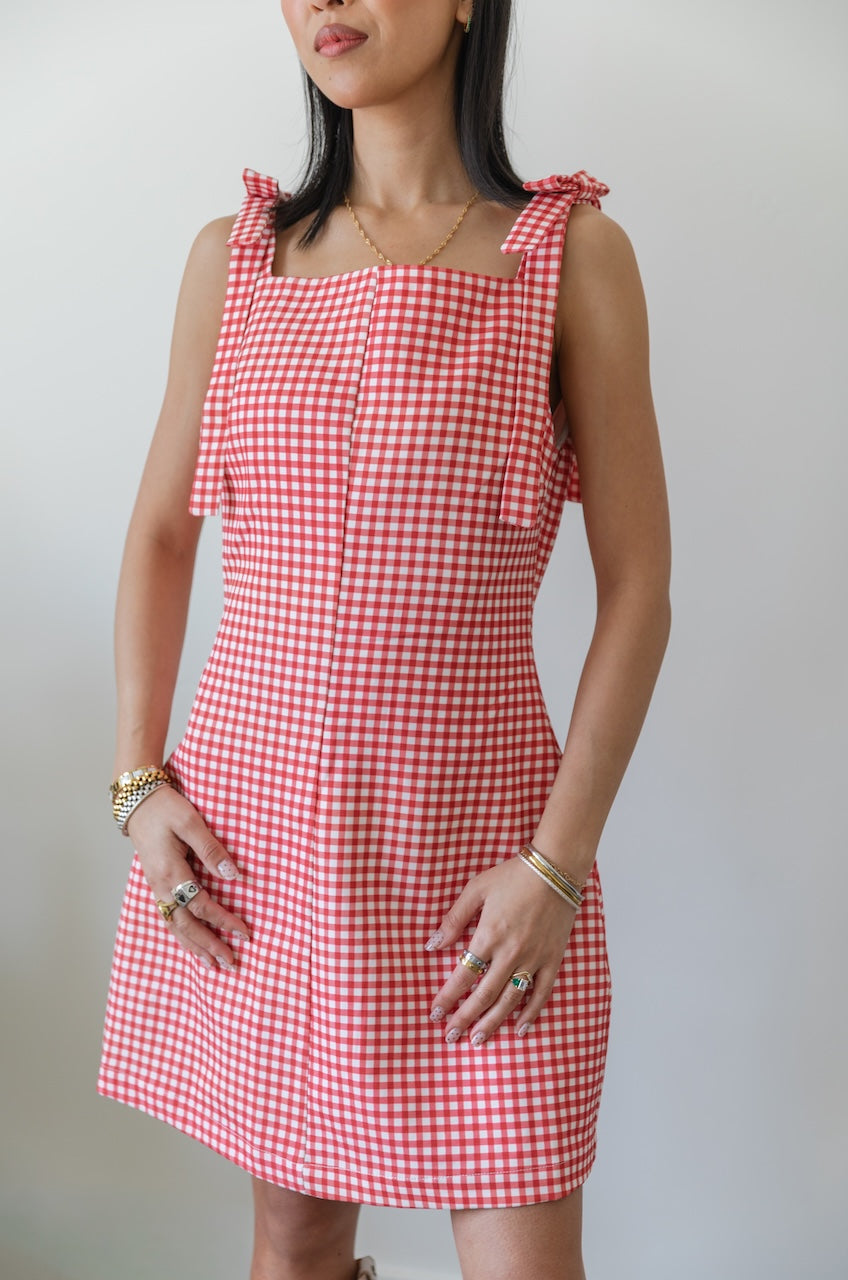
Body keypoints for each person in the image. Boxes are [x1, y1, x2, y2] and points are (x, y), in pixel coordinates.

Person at [99, 2, 671, 1277]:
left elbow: (636, 587)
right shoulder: (236, 255)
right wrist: (138, 783)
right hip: (265, 854)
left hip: (487, 866)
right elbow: (157, 535)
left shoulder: (568, 255)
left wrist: (557, 863)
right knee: (293, 1241)